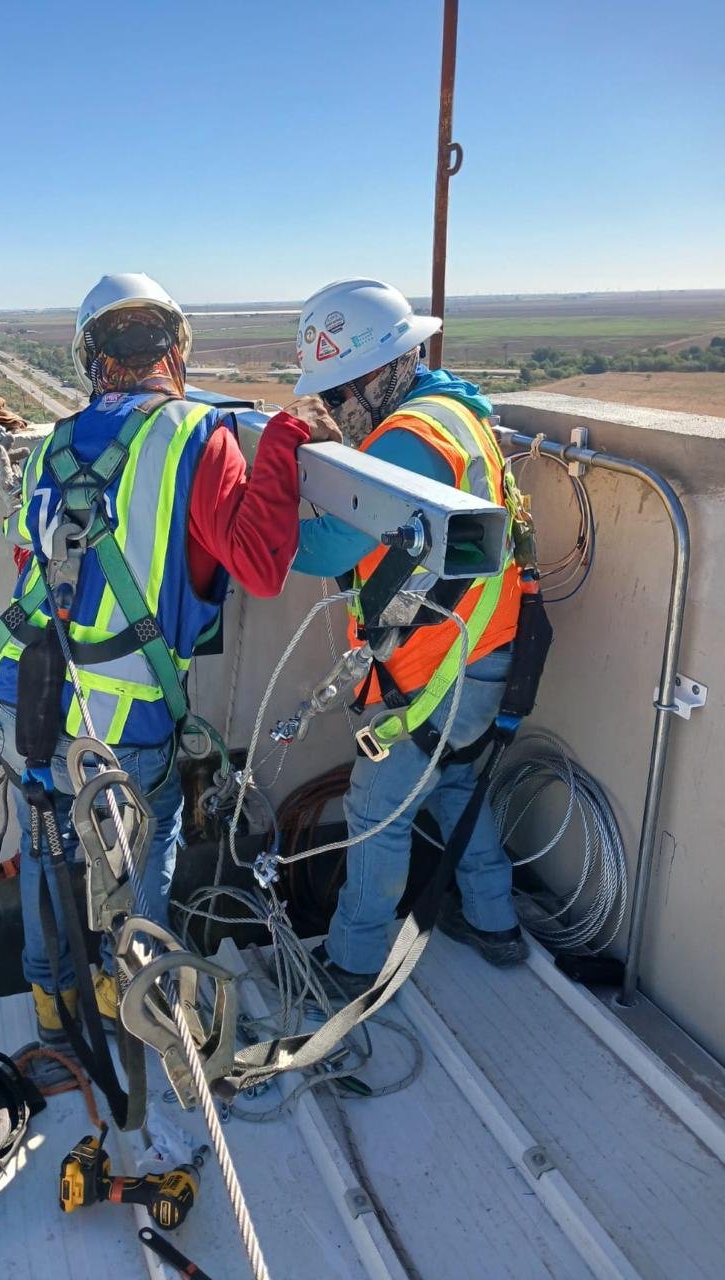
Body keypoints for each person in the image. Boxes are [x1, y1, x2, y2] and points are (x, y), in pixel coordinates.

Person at [0, 272, 340, 1069]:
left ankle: (52, 1013)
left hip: (26, 694)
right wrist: (279, 442)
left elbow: (26, 557)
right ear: (176, 351)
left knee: (46, 849)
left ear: (91, 358)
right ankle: (135, 1005)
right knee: (141, 861)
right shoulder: (194, 436)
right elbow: (258, 564)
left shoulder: (51, 442)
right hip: (125, 719)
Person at [290, 278, 529, 993]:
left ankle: (352, 964)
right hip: (478, 651)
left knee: (375, 809)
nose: (332, 410)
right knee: (455, 783)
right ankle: (496, 921)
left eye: (336, 395)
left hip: (435, 667)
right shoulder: (454, 409)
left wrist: (260, 511)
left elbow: (328, 550)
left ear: (380, 372)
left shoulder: (407, 439)